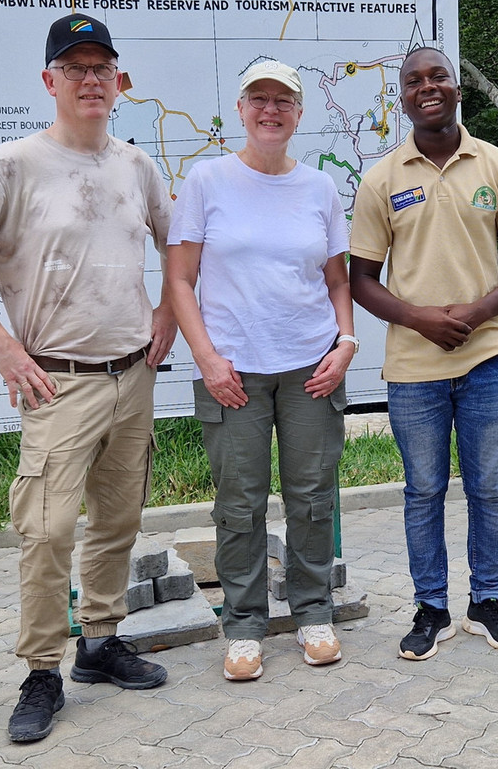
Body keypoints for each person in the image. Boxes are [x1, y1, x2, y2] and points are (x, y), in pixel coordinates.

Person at [0, 13, 173, 742]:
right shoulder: (12, 166)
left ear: (118, 82)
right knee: (49, 530)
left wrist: (169, 318)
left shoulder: (136, 166)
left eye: (102, 68)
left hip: (133, 372)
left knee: (117, 520)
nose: (90, 80)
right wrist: (0, 343)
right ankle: (40, 673)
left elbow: (180, 244)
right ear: (49, 80)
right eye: (75, 67)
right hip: (57, 382)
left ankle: (100, 644)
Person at [348, 46, 498, 661]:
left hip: (485, 357)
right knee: (422, 491)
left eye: (438, 77)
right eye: (414, 81)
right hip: (413, 367)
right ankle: (430, 608)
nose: (426, 88)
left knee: (488, 489)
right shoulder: (382, 179)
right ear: (401, 96)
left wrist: (480, 312)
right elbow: (361, 278)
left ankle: (487, 602)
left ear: (458, 89)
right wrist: (418, 319)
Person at [166, 59, 356, 681]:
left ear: (300, 114)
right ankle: (244, 626)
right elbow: (180, 279)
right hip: (233, 373)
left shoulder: (320, 188)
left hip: (311, 367)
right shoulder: (207, 181)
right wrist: (206, 358)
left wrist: (346, 341)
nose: (270, 109)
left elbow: (336, 279)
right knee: (239, 504)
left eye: (283, 100)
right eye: (258, 99)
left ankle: (312, 614)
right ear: (241, 110)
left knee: (310, 498)